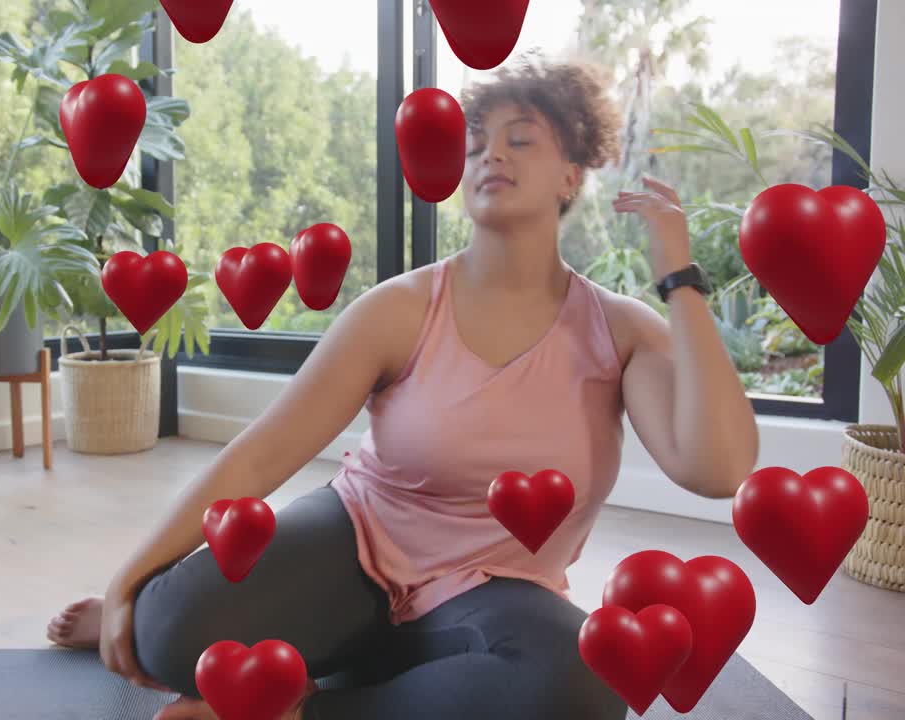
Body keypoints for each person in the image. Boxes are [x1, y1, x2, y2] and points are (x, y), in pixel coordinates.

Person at [47, 55, 759, 720]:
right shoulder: (400, 308)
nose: (492, 155)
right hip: (356, 544)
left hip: (492, 594)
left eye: (522, 140)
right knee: (172, 635)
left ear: (572, 175)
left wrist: (680, 281)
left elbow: (716, 469)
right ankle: (221, 636)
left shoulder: (621, 330)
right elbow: (262, 454)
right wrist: (130, 580)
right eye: (476, 143)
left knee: (585, 684)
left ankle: (301, 706)